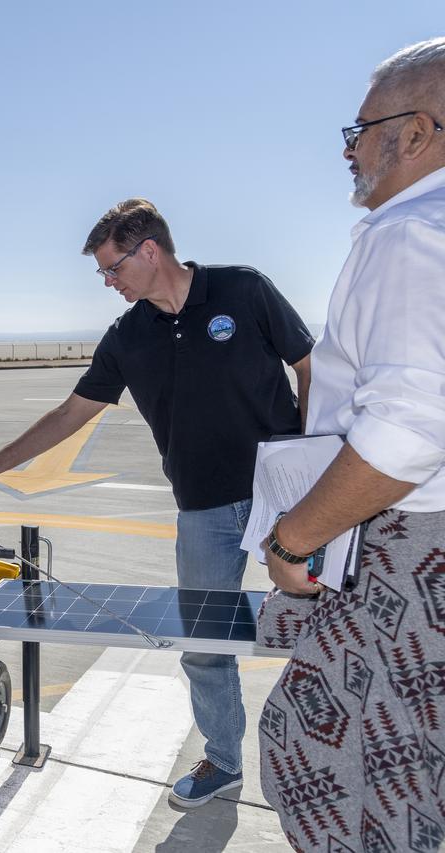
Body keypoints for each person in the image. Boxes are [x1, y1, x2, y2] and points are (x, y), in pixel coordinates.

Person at [0, 199, 314, 808]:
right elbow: (73, 412)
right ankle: (224, 761)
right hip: (202, 508)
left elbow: (310, 367)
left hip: (288, 499)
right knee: (204, 644)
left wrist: (311, 460)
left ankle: (324, 755)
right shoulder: (127, 336)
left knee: (319, 628)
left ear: (149, 251)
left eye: (112, 268)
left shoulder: (243, 290)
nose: (108, 282)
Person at [259, 38, 445, 851]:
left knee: (339, 756)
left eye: (362, 127)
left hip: (408, 543)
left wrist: (295, 535)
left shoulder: (409, 235)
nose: (348, 147)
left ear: (418, 132)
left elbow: (411, 427)